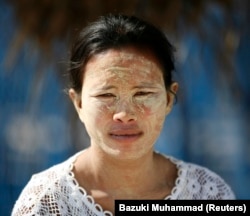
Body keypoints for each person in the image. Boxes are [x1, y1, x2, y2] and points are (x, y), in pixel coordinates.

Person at [12, 14, 235, 216]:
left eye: (143, 93)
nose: (124, 114)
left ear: (168, 99)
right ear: (78, 103)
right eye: (106, 95)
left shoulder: (208, 194)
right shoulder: (45, 202)